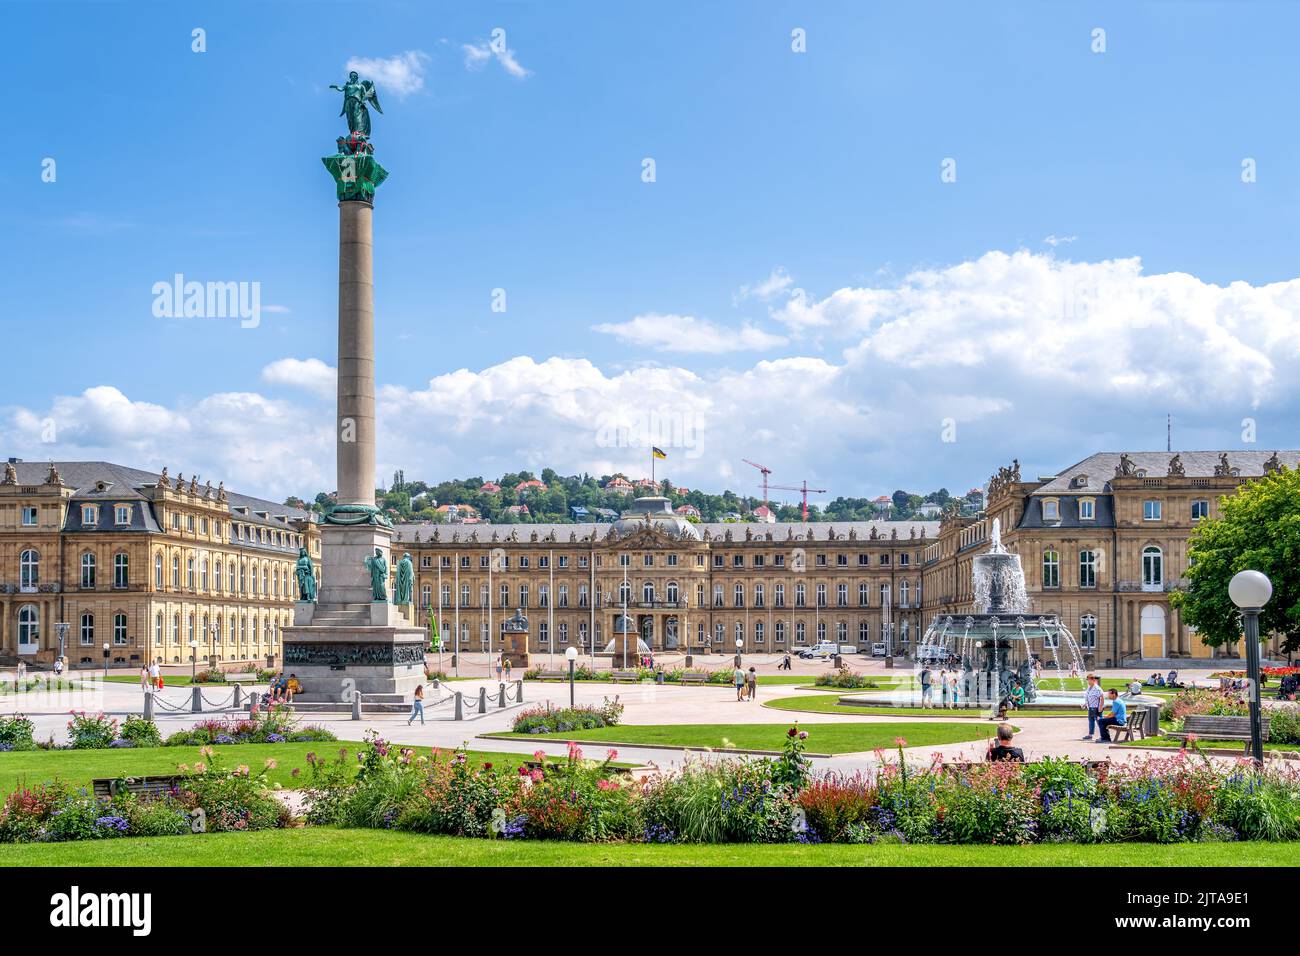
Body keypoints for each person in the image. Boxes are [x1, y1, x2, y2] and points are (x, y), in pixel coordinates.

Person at [1082, 673, 1103, 740]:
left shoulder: (1097, 688)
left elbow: (1102, 698)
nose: (1087, 681)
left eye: (1088, 680)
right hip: (1090, 707)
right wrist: (1085, 704)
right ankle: (1090, 735)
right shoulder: (1089, 687)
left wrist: (1100, 707)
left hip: (1096, 708)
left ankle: (1103, 736)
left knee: (1100, 722)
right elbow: (1088, 697)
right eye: (1087, 680)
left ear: (1093, 680)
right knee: (1091, 721)